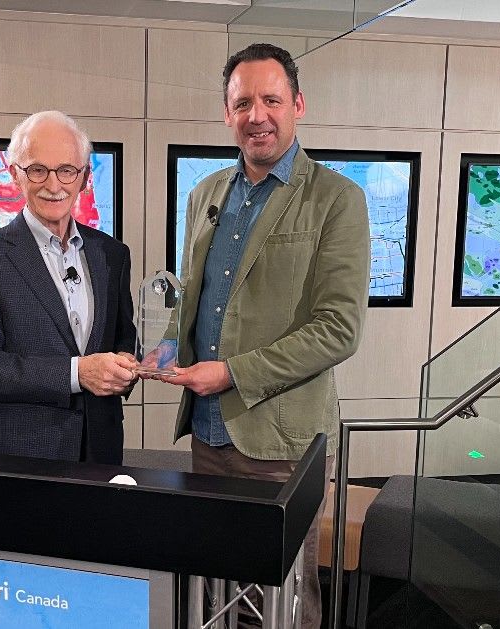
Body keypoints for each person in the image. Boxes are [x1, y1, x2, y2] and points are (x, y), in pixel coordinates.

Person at [154, 43, 369, 627]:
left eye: (271, 99)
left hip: (280, 446)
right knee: (210, 593)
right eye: (243, 102)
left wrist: (231, 373)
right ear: (227, 113)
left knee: (283, 602)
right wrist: (166, 349)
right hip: (206, 434)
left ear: (297, 104)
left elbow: (339, 329)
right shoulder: (205, 195)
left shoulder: (337, 200)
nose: (257, 115)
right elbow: (191, 303)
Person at [0, 110, 138, 465]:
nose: (54, 185)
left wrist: (124, 366)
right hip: (18, 455)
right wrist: (77, 373)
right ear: (15, 175)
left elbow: (121, 336)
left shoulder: (111, 254)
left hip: (100, 450)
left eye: (67, 170)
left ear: (83, 177)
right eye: (38, 170)